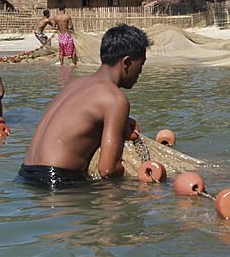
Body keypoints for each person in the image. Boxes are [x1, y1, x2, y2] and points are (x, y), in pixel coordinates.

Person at [19, 24, 151, 188]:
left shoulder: (75, 85)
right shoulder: (115, 99)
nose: (140, 72)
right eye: (141, 65)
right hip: (58, 183)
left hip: (25, 177)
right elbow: (108, 170)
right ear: (127, 62)